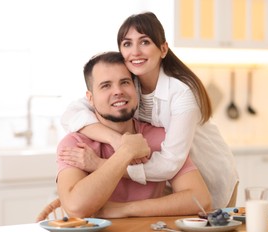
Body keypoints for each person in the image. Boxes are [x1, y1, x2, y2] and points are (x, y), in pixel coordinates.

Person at [60, 12, 238, 209]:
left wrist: (102, 164)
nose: (135, 51)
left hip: (207, 171)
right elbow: (73, 113)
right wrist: (116, 140)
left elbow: (170, 165)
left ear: (163, 49)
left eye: (144, 42)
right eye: (127, 44)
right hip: (168, 176)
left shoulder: (181, 93)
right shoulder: (130, 84)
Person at [57, 51, 211, 218]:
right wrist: (126, 151)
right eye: (106, 85)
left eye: (124, 82)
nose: (118, 91)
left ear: (135, 88)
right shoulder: (75, 144)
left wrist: (125, 209)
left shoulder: (160, 136)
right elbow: (76, 207)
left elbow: (201, 200)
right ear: (90, 98)